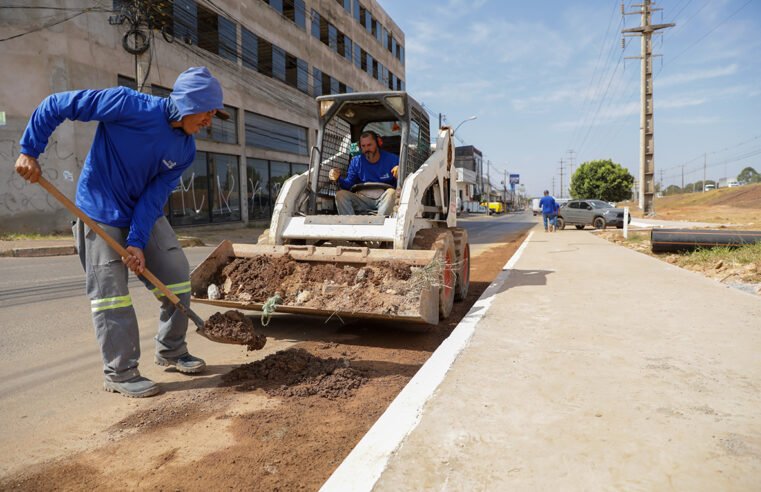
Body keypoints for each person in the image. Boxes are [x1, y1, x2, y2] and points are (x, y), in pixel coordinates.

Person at [14, 66, 229, 398]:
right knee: (111, 295)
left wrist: (137, 242)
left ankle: (171, 351)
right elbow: (56, 104)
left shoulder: (185, 150)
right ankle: (120, 372)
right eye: (208, 111)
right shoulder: (128, 105)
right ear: (189, 102)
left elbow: (153, 197)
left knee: (176, 276)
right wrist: (30, 149)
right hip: (98, 211)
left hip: (141, 214)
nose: (209, 121)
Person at [329, 131, 399, 216]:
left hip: (384, 198)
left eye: (369, 145)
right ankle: (350, 226)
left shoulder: (393, 160)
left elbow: (401, 185)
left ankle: (380, 225)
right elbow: (348, 184)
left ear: (378, 143)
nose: (366, 149)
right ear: (360, 146)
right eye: (363, 146)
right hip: (362, 199)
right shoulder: (356, 162)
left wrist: (400, 174)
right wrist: (338, 178)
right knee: (341, 195)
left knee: (391, 193)